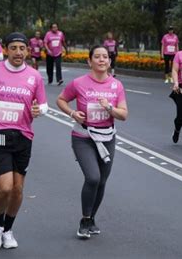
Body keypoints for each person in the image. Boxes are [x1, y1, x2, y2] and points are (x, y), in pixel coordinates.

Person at [0, 32, 48, 250]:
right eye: (13, 48)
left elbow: (44, 105)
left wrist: (38, 109)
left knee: (18, 190)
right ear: (5, 49)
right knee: (5, 187)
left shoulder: (34, 76)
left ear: (27, 51)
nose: (18, 52)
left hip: (23, 135)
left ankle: (8, 230)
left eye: (22, 48)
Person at [57, 45, 128, 239]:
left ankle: (91, 219)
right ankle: (85, 219)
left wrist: (110, 108)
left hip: (107, 138)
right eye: (97, 57)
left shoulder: (116, 85)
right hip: (84, 137)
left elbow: (123, 114)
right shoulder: (79, 83)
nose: (102, 60)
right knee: (93, 178)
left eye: (105, 57)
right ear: (90, 61)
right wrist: (72, 113)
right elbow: (61, 100)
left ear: (109, 61)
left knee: (102, 181)